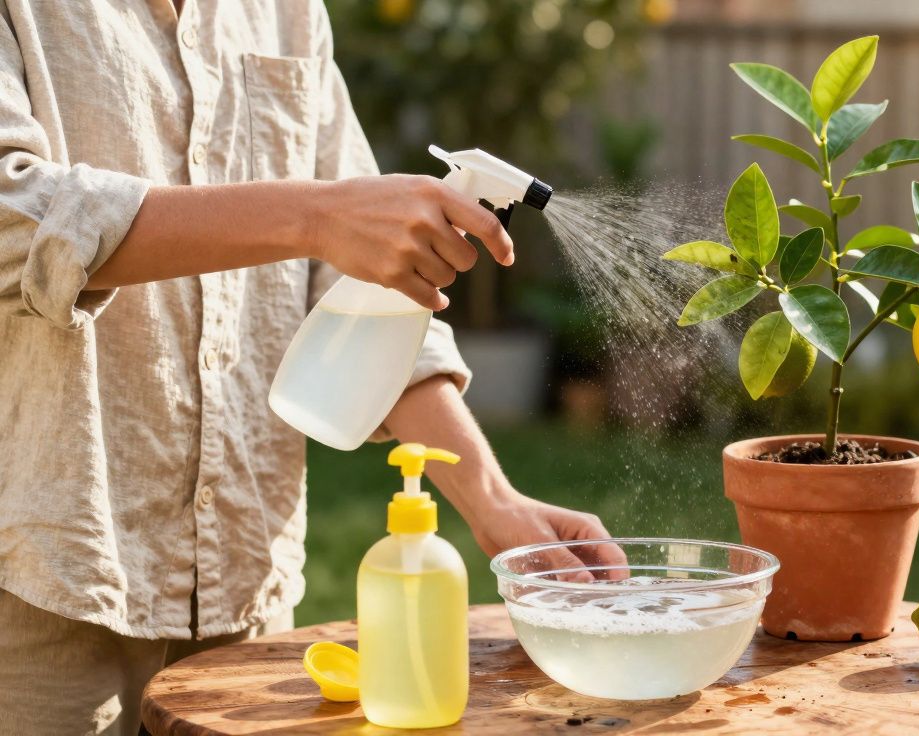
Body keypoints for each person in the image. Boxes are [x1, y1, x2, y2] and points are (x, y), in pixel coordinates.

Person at [0, 1, 617, 733]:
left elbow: (363, 294)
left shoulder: (285, 12)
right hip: (45, 580)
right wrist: (316, 216)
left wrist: (494, 503)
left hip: (246, 583)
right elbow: (13, 220)